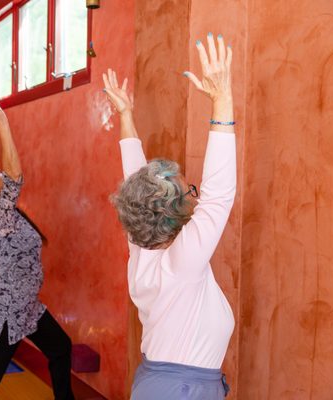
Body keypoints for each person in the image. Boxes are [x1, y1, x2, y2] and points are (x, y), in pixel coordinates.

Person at [102, 33, 235, 399]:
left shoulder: (141, 251)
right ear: (176, 214)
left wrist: (125, 116)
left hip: (158, 383)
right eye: (189, 191)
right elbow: (219, 195)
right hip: (180, 391)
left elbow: (136, 181)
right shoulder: (182, 261)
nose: (195, 195)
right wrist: (222, 98)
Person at [0, 98, 74, 400]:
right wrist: (4, 128)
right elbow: (14, 172)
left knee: (61, 348)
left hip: (26, 304)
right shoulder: (1, 213)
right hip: (10, 308)